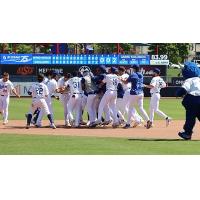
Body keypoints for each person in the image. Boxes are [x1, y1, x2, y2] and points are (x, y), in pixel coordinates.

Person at [121, 65, 151, 129]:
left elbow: (125, 82)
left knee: (130, 108)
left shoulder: (133, 75)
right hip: (141, 93)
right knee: (141, 108)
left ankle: (128, 124)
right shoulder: (141, 75)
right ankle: (148, 120)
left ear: (134, 69)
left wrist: (121, 79)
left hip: (134, 93)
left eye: (132, 68)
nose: (132, 69)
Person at [176, 62, 200, 140]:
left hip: (192, 100)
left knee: (190, 118)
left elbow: (183, 90)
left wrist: (178, 93)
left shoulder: (189, 80)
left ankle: (187, 133)